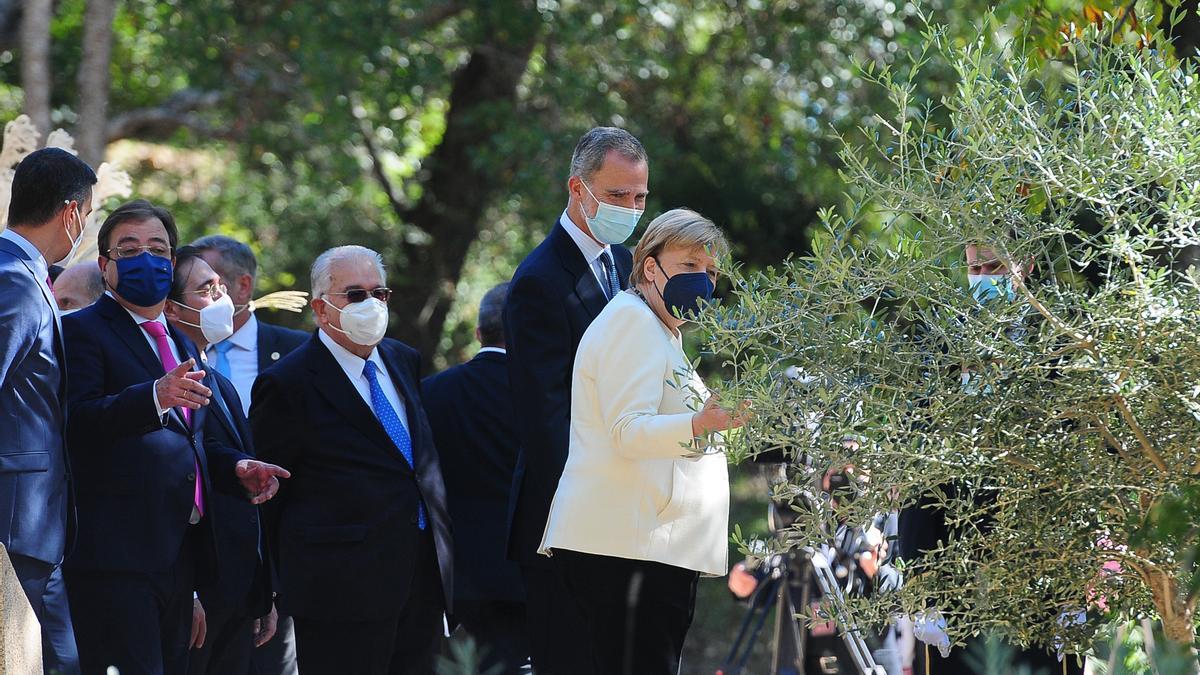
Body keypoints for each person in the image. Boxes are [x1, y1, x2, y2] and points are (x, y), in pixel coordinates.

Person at [62, 199, 290, 675]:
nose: (146, 258)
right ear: (105, 266)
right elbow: (76, 423)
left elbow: (195, 440)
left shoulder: (182, 342)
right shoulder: (81, 331)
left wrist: (236, 468)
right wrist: (153, 396)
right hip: (116, 560)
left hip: (181, 559)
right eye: (129, 248)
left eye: (158, 248)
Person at [540, 208, 746, 675]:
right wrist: (699, 423)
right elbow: (627, 431)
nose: (703, 281)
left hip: (646, 551)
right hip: (628, 554)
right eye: (690, 265)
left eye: (711, 272)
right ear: (650, 266)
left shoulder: (659, 331)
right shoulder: (632, 321)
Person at [250, 245, 453, 675]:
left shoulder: (402, 358)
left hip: (421, 575)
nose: (372, 305)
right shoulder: (286, 383)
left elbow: (414, 464)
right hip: (340, 590)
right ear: (322, 310)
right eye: (355, 295)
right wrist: (267, 589)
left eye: (379, 293)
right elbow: (270, 494)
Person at [897, 242, 1083, 675]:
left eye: (995, 265)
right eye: (974, 266)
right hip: (957, 572)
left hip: (1041, 571)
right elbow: (917, 463)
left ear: (1027, 264)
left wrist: (1077, 585)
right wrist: (922, 586)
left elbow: (1079, 467)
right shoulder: (939, 345)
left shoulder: (1058, 341)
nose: (983, 276)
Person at [504, 126, 646, 674]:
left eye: (639, 198)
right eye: (617, 197)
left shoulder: (629, 264)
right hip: (569, 519)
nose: (630, 209)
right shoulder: (540, 280)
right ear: (577, 188)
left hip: (628, 516)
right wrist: (605, 500)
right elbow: (544, 419)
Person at [190, 234, 306, 672]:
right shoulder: (181, 355)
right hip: (207, 552)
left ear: (243, 287)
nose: (211, 297)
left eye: (215, 284)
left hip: (276, 550)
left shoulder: (296, 352)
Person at [0, 147, 96, 674]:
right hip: (16, 523)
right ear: (72, 212)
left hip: (30, 523)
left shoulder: (20, 273)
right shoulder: (14, 280)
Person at [164, 248, 275, 675]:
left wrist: (261, 592)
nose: (221, 296)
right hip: (197, 595)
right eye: (206, 290)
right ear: (173, 309)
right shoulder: (173, 381)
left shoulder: (218, 380)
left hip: (237, 595)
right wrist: (188, 593)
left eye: (221, 285)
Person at [422, 282, 528, 674]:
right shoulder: (550, 396)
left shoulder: (432, 392)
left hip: (455, 577)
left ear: (479, 333)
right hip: (529, 572)